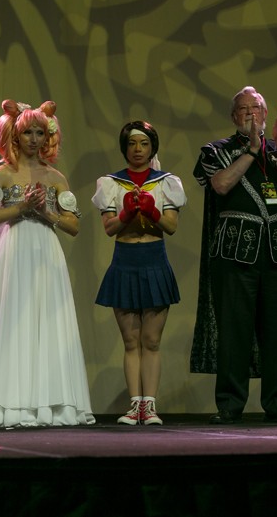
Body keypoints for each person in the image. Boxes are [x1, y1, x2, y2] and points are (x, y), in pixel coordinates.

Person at [0, 99, 94, 427]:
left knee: (47, 320)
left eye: (40, 132)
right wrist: (23, 207)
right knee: (14, 320)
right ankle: (12, 404)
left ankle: (51, 405)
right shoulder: (2, 174)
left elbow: (74, 226)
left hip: (46, 251)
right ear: (15, 135)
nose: (34, 139)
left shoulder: (55, 177)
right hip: (16, 248)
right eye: (28, 132)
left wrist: (46, 212)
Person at [190, 86, 277, 424]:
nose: (250, 114)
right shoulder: (217, 150)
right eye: (244, 109)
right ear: (233, 117)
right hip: (235, 255)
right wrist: (251, 151)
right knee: (234, 332)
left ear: (266, 113)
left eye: (256, 108)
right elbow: (220, 185)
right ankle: (230, 404)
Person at [92, 121, 186, 426]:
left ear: (152, 147)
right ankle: (134, 406)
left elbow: (171, 227)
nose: (137, 150)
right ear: (124, 148)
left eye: (144, 144)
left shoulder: (167, 182)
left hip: (155, 260)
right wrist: (127, 214)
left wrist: (153, 211)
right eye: (132, 144)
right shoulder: (109, 183)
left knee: (152, 340)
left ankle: (151, 406)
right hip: (125, 260)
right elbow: (109, 228)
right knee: (131, 341)